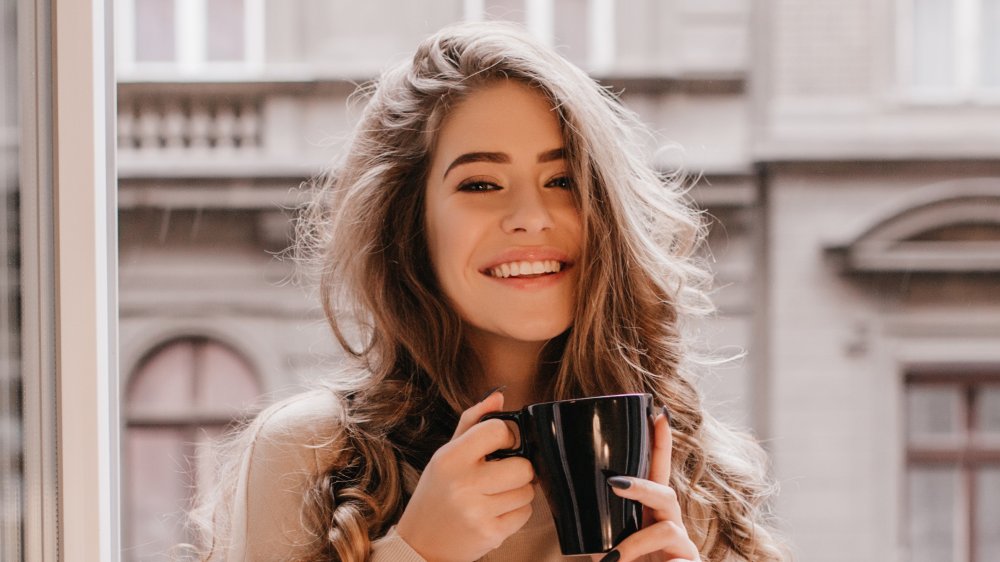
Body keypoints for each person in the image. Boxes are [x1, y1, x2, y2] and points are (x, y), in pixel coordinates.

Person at [189, 21, 787, 562]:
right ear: (409, 222)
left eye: (562, 179)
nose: (532, 216)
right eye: (480, 183)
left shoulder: (691, 472)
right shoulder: (308, 454)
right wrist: (416, 551)